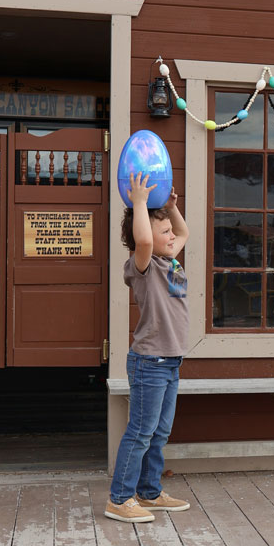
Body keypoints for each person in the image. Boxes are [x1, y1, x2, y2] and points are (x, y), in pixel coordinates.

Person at [105, 171, 191, 523]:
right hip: (150, 362)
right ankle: (119, 499)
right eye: (164, 232)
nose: (172, 236)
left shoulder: (170, 260)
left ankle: (149, 492)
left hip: (170, 362)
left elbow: (183, 233)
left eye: (169, 231)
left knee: (159, 432)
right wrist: (139, 202)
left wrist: (170, 209)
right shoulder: (143, 265)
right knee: (141, 432)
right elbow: (142, 240)